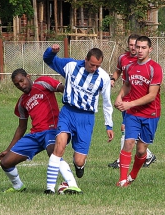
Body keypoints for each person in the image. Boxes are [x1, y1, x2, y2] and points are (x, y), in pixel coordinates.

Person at [0, 68, 82, 194]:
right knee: (6, 162)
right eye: (17, 84)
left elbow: (62, 88)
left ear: (28, 76)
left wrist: (73, 105)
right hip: (35, 135)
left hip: (52, 130)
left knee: (54, 153)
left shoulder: (42, 82)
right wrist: (8, 149)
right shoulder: (21, 102)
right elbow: (21, 127)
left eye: (22, 81)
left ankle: (73, 185)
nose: (21, 85)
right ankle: (18, 186)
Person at [43, 44, 114, 194]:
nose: (94, 68)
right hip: (68, 112)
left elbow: (107, 103)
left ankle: (79, 165)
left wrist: (109, 125)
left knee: (79, 160)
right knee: (59, 146)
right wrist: (52, 51)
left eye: (97, 66)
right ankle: (49, 189)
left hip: (86, 119)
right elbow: (48, 60)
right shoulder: (71, 65)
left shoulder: (104, 77)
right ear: (85, 59)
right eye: (92, 64)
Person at [114, 36, 162, 187]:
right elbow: (127, 84)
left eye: (143, 48)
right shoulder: (129, 66)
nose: (139, 50)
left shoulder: (155, 68)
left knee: (141, 151)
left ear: (150, 49)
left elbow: (152, 95)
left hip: (150, 114)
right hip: (133, 113)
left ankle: (132, 176)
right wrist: (120, 96)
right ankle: (122, 180)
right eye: (137, 47)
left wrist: (129, 104)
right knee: (128, 142)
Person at [108, 34, 156, 169]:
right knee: (126, 129)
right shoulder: (123, 59)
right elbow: (119, 72)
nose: (135, 48)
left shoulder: (149, 65)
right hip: (127, 99)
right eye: (132, 45)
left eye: (139, 46)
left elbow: (152, 94)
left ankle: (145, 154)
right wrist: (113, 80)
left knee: (127, 131)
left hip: (139, 103)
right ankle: (124, 161)